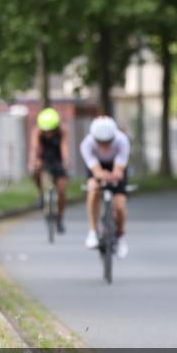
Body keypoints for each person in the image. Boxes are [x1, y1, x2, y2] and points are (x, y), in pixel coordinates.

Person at [81, 116, 131, 259]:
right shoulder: (87, 144)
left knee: (120, 205)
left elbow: (119, 170)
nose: (104, 146)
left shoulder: (122, 141)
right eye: (100, 142)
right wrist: (101, 175)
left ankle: (120, 236)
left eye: (108, 142)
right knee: (93, 188)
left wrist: (115, 175)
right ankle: (92, 231)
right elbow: (95, 171)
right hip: (98, 167)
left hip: (116, 167)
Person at [28, 107, 69, 232]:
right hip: (43, 157)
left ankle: (60, 218)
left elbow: (64, 147)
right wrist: (32, 161)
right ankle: (40, 193)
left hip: (57, 159)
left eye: (51, 131)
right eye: (46, 131)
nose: (48, 134)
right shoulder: (37, 131)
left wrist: (66, 161)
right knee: (35, 171)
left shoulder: (62, 131)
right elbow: (34, 148)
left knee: (61, 189)